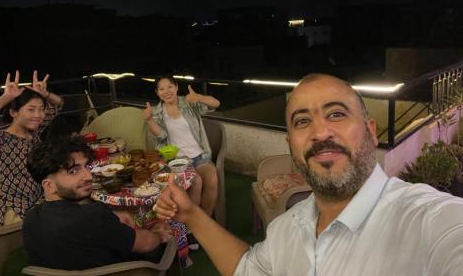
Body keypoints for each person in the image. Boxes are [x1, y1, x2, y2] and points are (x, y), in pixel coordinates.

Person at [155, 73, 463, 276]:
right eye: (302, 121)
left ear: (371, 132)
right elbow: (249, 269)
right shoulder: (285, 229)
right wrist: (192, 215)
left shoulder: (431, 222)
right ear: (290, 145)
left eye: (336, 114)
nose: (320, 132)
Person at [23, 135, 172, 270]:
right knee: (168, 226)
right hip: (129, 270)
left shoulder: (30, 218)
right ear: (49, 185)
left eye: (86, 167)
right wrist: (157, 234)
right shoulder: (93, 216)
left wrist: (112, 218)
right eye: (73, 171)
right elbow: (146, 243)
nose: (88, 176)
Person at [0, 70, 63, 225]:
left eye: (41, 109)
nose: (38, 115)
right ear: (14, 112)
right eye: (31, 109)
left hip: (39, 200)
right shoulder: (0, 138)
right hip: (14, 208)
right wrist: (7, 96)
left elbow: (58, 104)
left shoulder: (34, 132)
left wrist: (45, 93)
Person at [143, 76, 220, 217]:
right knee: (196, 182)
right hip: (178, 160)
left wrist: (199, 97)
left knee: (212, 179)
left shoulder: (189, 102)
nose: (166, 91)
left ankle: (206, 222)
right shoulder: (156, 112)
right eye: (161, 88)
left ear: (176, 87)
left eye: (170, 87)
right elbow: (160, 135)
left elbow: (216, 103)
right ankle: (193, 224)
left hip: (200, 156)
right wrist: (149, 120)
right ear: (157, 92)